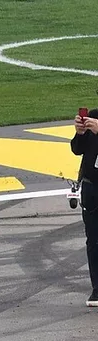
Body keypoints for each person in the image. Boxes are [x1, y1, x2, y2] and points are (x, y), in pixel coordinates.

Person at [72, 107, 98, 306]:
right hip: (92, 186)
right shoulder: (94, 115)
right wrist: (80, 133)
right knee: (94, 239)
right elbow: (77, 149)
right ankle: (97, 288)